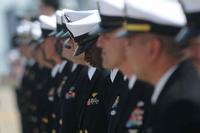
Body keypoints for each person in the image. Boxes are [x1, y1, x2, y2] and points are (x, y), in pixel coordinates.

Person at [117, 0, 200, 132]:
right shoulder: (166, 90)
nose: (126, 51)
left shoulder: (180, 104)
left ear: (152, 48)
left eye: (129, 43)